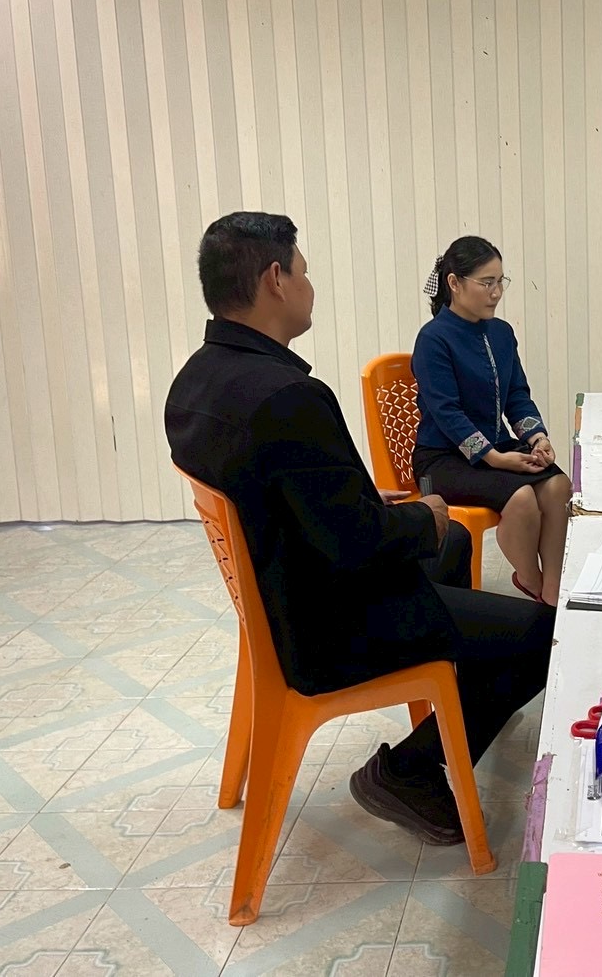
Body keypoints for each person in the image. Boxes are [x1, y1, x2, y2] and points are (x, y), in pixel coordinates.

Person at [165, 212, 552, 846]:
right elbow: (356, 543)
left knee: (456, 541)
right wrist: (421, 514)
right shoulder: (286, 396)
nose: (309, 285)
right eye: (304, 272)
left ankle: (462, 696)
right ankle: (408, 770)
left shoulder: (196, 380)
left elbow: (295, 498)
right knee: (538, 633)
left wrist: (387, 510)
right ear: (275, 280)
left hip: (280, 594)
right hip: (327, 627)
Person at [412, 236, 571, 607]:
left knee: (558, 487)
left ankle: (553, 592)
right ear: (454, 283)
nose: (496, 292)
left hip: (496, 448)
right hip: (442, 458)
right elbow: (446, 412)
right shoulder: (433, 339)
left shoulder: (501, 333)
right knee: (522, 498)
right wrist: (495, 458)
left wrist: (537, 438)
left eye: (500, 281)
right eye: (486, 283)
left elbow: (517, 395)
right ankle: (533, 584)